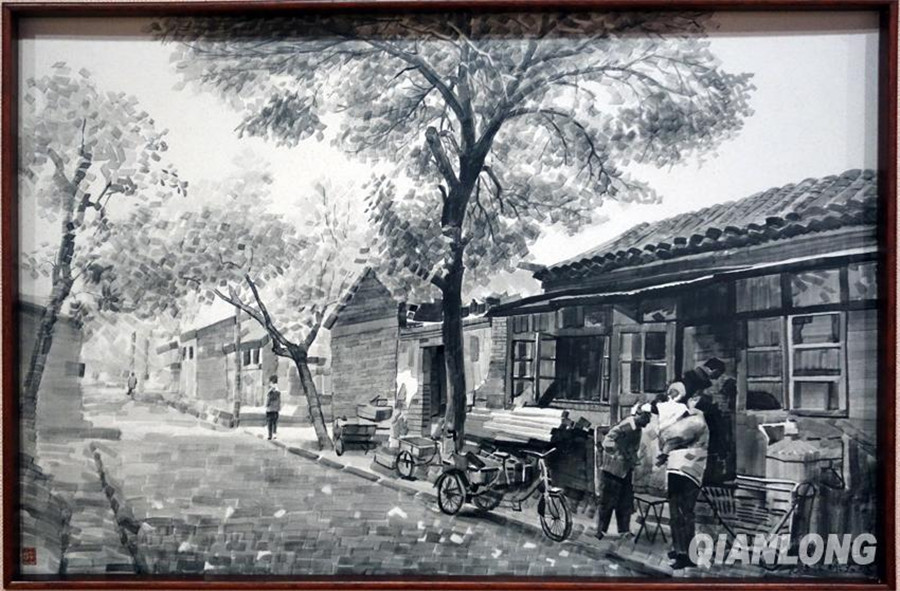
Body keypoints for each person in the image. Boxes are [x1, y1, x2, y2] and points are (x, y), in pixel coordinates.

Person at [656, 393, 709, 570]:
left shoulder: (696, 420)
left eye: (693, 399)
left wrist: (664, 447)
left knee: (680, 512)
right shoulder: (692, 419)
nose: (689, 401)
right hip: (682, 468)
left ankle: (685, 554)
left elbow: (671, 435)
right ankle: (681, 550)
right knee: (680, 512)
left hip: (685, 470)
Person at [595, 403, 652, 541]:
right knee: (607, 502)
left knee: (625, 502)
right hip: (613, 470)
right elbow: (607, 441)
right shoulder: (627, 425)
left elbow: (632, 447)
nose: (648, 421)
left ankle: (624, 530)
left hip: (625, 469)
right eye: (646, 417)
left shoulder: (637, 428)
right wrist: (617, 453)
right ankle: (600, 530)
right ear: (638, 415)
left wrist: (633, 458)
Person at [265, 375, 281, 440]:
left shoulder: (271, 392)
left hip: (270, 409)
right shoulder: (277, 391)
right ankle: (273, 434)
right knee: (274, 423)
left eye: (270, 383)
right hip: (275, 409)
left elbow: (268, 400)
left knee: (270, 423)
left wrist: (266, 405)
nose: (270, 384)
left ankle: (270, 435)